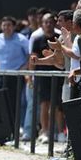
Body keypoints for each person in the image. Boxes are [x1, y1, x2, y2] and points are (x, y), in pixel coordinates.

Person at [0, 16, 29, 121]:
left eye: (9, 25)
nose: (6, 28)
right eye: (4, 25)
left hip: (16, 76)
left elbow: (30, 55)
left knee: (14, 102)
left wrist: (24, 67)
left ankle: (15, 128)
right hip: (0, 75)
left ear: (13, 27)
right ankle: (2, 128)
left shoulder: (21, 39)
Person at [29, 13, 64, 144]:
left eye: (50, 22)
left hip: (58, 76)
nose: (48, 24)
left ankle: (60, 132)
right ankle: (45, 132)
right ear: (42, 24)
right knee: (44, 104)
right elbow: (32, 59)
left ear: (54, 23)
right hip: (42, 76)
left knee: (57, 105)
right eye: (45, 22)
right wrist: (30, 77)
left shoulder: (59, 38)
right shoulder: (37, 40)